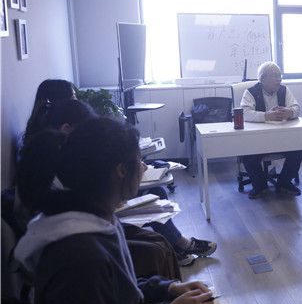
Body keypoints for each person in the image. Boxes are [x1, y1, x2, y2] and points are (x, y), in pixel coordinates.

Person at [14, 118, 214, 304]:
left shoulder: (92, 217)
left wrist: (167, 289)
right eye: (139, 160)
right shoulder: (81, 257)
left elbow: (116, 290)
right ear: (121, 170)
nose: (144, 167)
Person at [22, 80, 217, 267]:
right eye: (73, 97)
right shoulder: (84, 251)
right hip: (96, 212)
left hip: (96, 210)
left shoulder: (50, 148)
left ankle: (179, 246)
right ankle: (180, 246)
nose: (77, 100)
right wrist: (113, 199)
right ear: (66, 128)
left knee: (157, 196)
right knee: (156, 233)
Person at [240, 62, 302, 199]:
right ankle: (260, 185)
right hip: (257, 139)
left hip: (282, 137)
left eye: (280, 76)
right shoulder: (250, 92)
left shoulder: (284, 90)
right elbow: (245, 113)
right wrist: (265, 116)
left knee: (298, 151)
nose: (279, 79)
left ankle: (284, 182)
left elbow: (296, 108)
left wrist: (290, 112)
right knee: (247, 155)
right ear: (263, 79)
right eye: (275, 76)